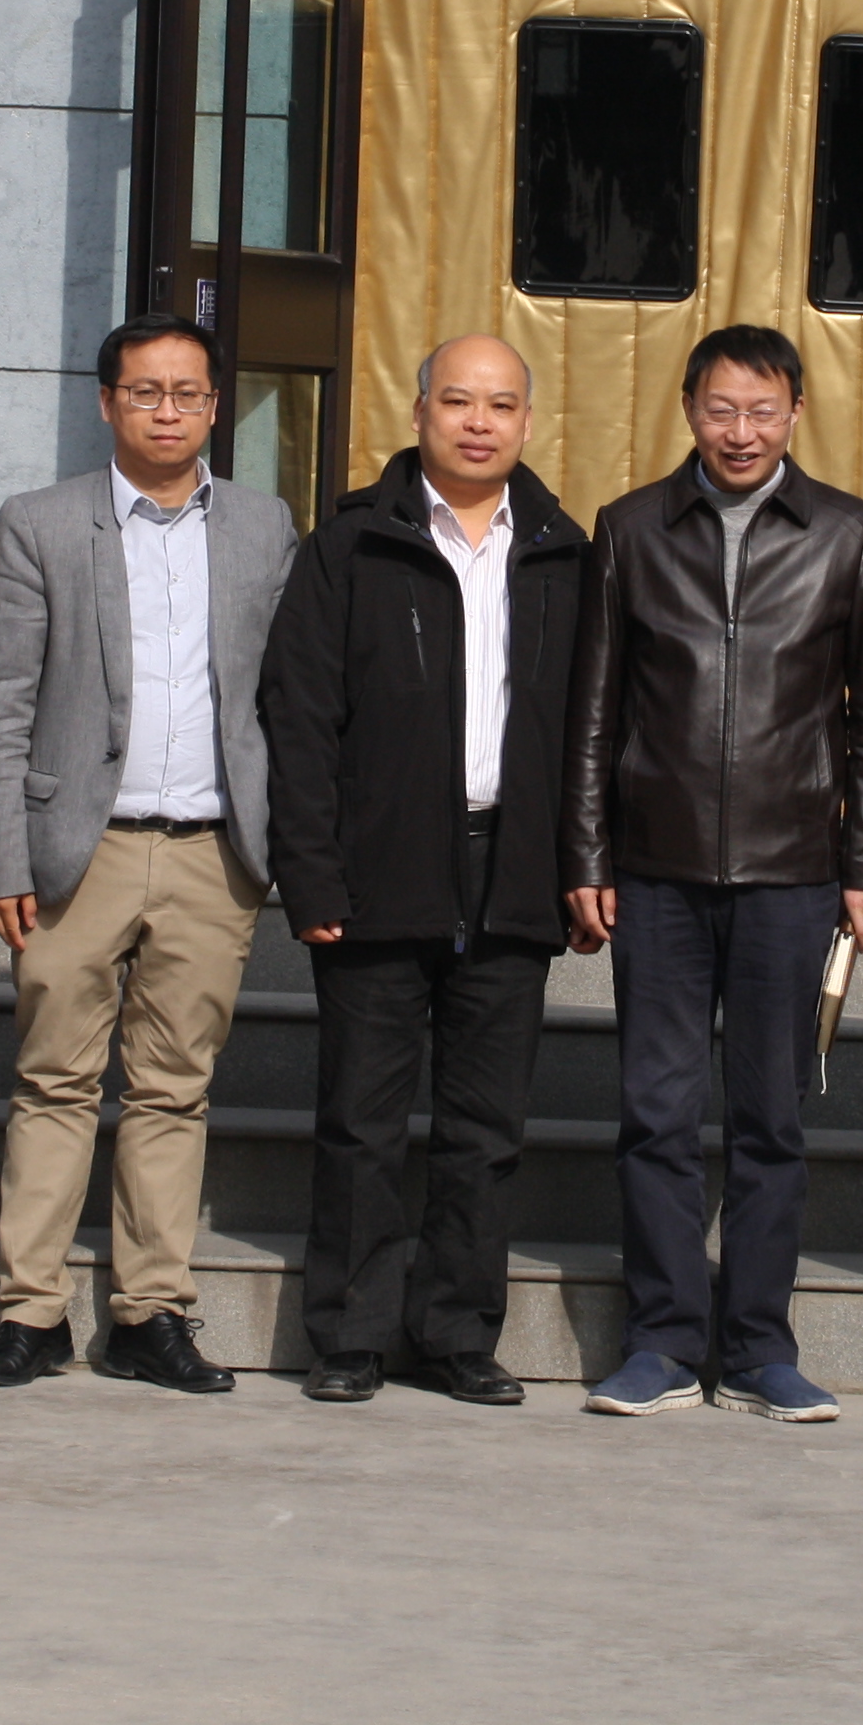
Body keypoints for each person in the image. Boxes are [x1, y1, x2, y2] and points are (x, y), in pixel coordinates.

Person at [562, 323, 863, 1423]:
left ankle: (759, 1349)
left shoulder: (848, 533)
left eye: (762, 410)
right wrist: (588, 852)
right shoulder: (630, 529)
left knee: (770, 1121)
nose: (741, 431)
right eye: (721, 409)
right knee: (655, 1114)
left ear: (796, 411)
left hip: (793, 875)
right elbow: (592, 710)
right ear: (688, 410)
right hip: (655, 874)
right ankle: (662, 1341)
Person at [0, 314, 298, 1392]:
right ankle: (31, 1313)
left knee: (171, 1090)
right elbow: (0, 702)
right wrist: (2, 858)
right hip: (78, 849)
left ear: (215, 407)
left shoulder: (263, 526)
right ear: (107, 402)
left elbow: (283, 698)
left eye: (188, 393)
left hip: (211, 853)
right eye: (145, 392)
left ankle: (152, 1311)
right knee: (54, 1081)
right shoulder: (40, 523)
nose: (167, 411)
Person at [261, 335, 589, 1407]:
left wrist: (584, 867)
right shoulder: (352, 545)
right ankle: (351, 1334)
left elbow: (596, 728)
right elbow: (299, 717)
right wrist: (311, 874)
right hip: (380, 869)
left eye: (500, 405)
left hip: (513, 870)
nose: (478, 423)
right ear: (419, 414)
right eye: (457, 401)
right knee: (361, 1120)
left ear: (528, 422)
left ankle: (457, 1333)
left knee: (485, 1128)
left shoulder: (565, 554)